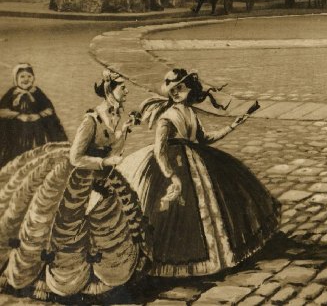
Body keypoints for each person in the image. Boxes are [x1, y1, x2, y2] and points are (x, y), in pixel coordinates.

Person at [0, 69, 147, 300]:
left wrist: (124, 133)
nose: (127, 90)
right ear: (110, 91)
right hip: (76, 177)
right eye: (122, 87)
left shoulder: (114, 115)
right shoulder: (91, 120)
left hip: (100, 176)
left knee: (111, 224)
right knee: (61, 226)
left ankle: (109, 276)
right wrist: (104, 161)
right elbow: (75, 158)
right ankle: (65, 282)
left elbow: (113, 150)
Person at [121, 68, 279, 278]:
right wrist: (171, 176)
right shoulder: (167, 117)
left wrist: (232, 126)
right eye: (173, 89)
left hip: (196, 160)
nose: (176, 92)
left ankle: (219, 254)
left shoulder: (190, 112)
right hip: (173, 165)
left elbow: (204, 139)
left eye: (180, 87)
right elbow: (159, 151)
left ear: (189, 88)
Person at [0, 63, 67, 168]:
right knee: (16, 152)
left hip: (37, 130)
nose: (26, 79)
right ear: (15, 78)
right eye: (22, 76)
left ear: (33, 78)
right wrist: (18, 115)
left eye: (29, 76)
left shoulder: (37, 92)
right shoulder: (12, 93)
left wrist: (38, 115)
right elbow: (2, 111)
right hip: (17, 131)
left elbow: (49, 109)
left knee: (37, 151)